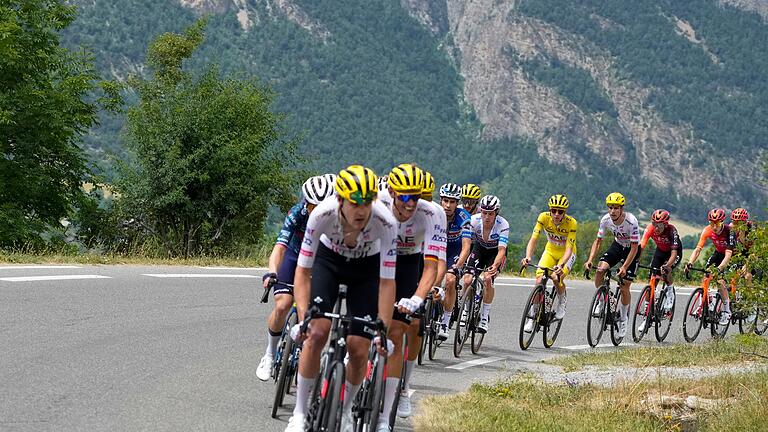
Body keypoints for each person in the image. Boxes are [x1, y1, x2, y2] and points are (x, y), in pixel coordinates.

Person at [284, 165, 397, 432]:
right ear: (340, 200)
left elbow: (387, 281)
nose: (361, 210)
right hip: (329, 262)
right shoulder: (321, 214)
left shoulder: (385, 222)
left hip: (366, 270)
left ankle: (346, 410)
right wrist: (303, 318)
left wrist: (383, 327)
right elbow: (302, 271)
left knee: (359, 349)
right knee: (316, 332)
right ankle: (299, 413)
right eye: (354, 202)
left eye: (367, 202)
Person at [377, 164, 445, 425]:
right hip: (376, 255)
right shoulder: (378, 203)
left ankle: (386, 415)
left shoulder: (432, 213)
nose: (411, 203)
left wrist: (417, 298)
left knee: (397, 332)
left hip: (407, 261)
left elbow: (431, 266)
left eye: (416, 196)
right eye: (405, 196)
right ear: (392, 192)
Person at [257, 174, 335, 381]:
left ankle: (302, 351)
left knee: (309, 313)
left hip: (318, 261)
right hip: (294, 256)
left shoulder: (335, 219)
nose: (316, 211)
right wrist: (272, 272)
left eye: (321, 206)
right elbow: (280, 247)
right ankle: (270, 353)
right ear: (305, 203)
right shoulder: (296, 214)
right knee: (283, 305)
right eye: (312, 206)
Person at [583, 192, 640, 339]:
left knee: (624, 285)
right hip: (618, 245)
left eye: (616, 208)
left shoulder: (631, 221)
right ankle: (602, 300)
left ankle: (623, 318)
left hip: (632, 250)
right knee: (601, 270)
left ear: (621, 208)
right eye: (610, 208)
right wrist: (590, 260)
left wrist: (625, 267)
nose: (612, 211)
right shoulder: (605, 220)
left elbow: (634, 248)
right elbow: (598, 241)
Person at [520, 194, 577, 331]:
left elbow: (569, 249)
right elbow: (534, 239)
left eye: (560, 211)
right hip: (550, 251)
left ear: (565, 212)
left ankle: (562, 301)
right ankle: (532, 318)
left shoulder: (571, 223)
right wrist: (528, 257)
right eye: (554, 210)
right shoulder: (543, 217)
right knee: (539, 281)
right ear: (550, 210)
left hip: (566, 254)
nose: (556, 214)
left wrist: (561, 265)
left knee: (556, 277)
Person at [461, 195, 509, 333]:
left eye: (491, 213)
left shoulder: (503, 224)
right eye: (484, 213)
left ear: (496, 213)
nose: (487, 217)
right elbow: (467, 244)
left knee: (488, 279)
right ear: (480, 211)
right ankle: (465, 309)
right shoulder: (473, 221)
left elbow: (502, 250)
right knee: (467, 279)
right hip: (479, 249)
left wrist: (495, 265)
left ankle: (484, 316)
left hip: (495, 253)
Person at [685, 208, 735, 326]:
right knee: (706, 275)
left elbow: (728, 255)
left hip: (731, 255)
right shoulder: (707, 230)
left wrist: (720, 268)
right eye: (711, 223)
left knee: (720, 281)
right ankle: (708, 302)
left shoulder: (730, 231)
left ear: (722, 222)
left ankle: (727, 310)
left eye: (717, 223)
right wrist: (690, 262)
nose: (714, 226)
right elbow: (698, 249)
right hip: (718, 253)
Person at [435, 183, 472, 340]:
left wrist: (457, 267)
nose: (448, 205)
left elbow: (466, 246)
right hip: (438, 249)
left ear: (457, 203)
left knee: (450, 280)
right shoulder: (434, 213)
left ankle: (445, 321)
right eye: (445, 200)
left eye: (452, 202)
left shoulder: (464, 217)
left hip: (455, 252)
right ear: (441, 200)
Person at [638, 209, 682, 317]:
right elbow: (641, 247)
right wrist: (635, 260)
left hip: (673, 253)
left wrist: (667, 266)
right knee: (652, 281)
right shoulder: (649, 229)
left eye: (659, 225)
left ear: (665, 225)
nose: (656, 228)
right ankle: (647, 311)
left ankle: (670, 291)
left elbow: (674, 253)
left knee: (665, 272)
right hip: (660, 252)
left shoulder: (672, 231)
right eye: (654, 224)